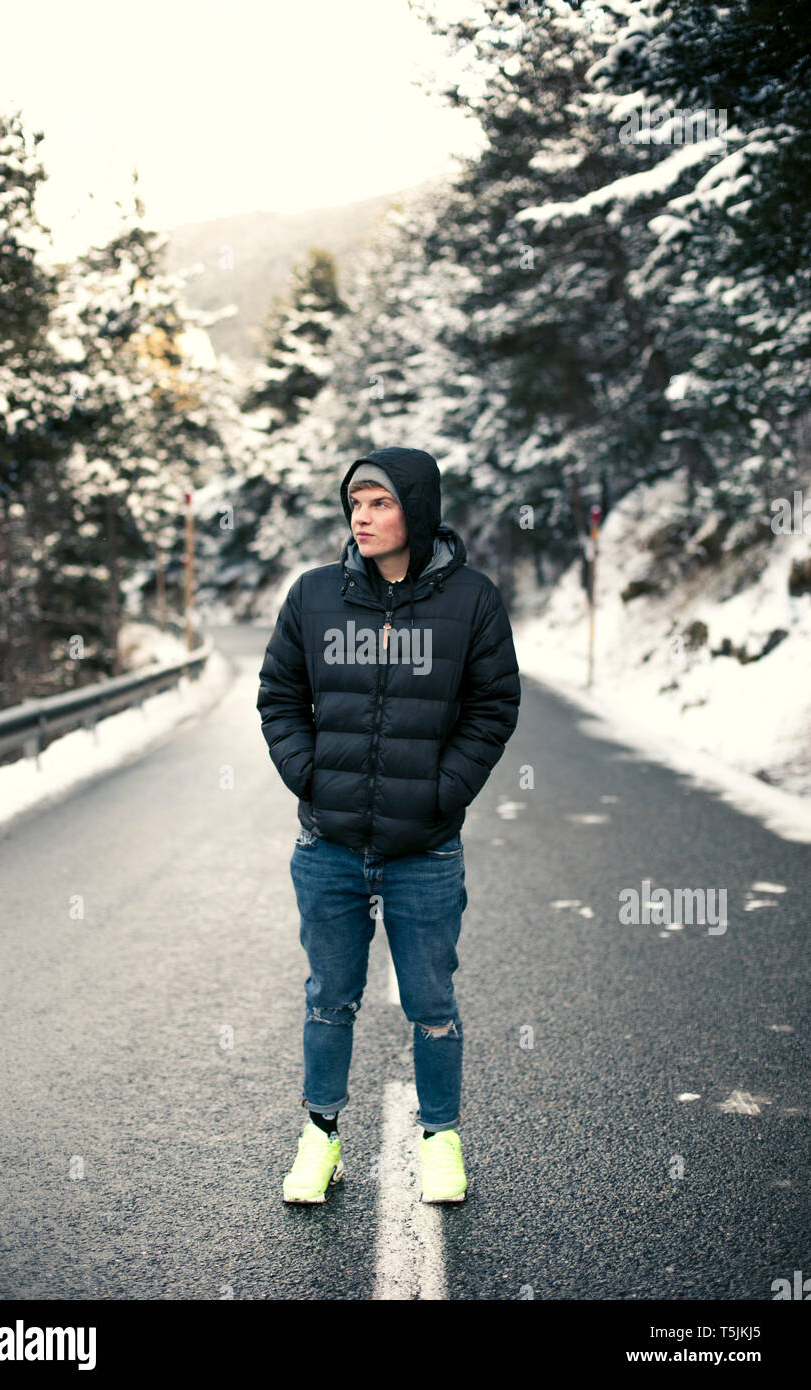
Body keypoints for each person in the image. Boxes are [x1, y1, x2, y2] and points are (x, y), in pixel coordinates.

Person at [256, 447, 521, 1203]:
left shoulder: (471, 601)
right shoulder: (314, 597)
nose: (362, 517)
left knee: (431, 1003)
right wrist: (309, 776)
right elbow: (278, 695)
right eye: (355, 504)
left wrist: (444, 792)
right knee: (328, 998)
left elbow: (493, 708)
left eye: (379, 503)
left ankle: (440, 1140)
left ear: (417, 510)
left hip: (425, 848)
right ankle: (320, 1138)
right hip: (329, 845)